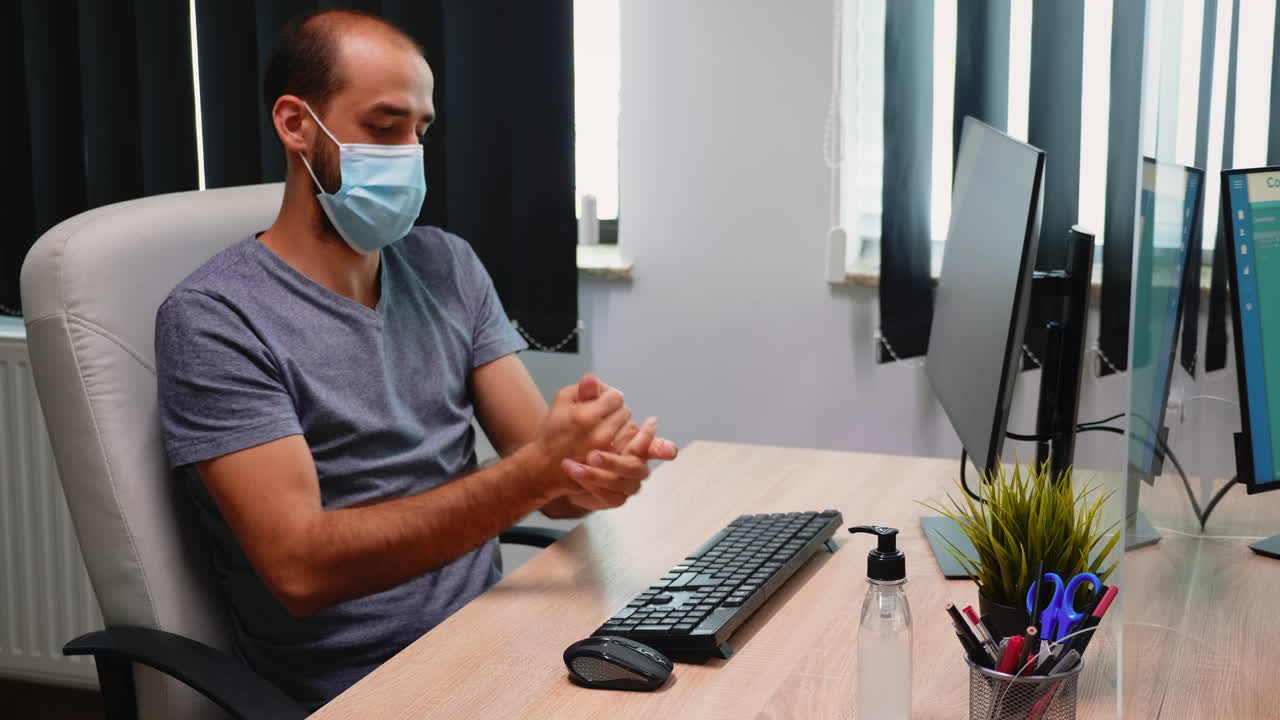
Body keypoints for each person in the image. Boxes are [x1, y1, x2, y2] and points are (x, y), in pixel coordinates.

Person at [154, 9, 676, 710]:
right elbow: (301, 569)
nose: (408, 153)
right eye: (383, 127)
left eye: (419, 132)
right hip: (363, 687)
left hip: (495, 642)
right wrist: (539, 471)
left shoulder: (446, 266)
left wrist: (596, 473)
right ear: (296, 123)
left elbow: (552, 488)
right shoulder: (215, 318)